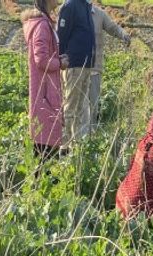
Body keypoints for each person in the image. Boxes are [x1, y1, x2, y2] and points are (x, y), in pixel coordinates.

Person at [22, 0, 64, 162]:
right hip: (45, 94)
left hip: (46, 92)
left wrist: (59, 59)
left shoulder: (43, 23)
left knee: (44, 142)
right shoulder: (41, 26)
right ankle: (42, 184)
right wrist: (61, 63)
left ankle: (42, 183)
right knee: (44, 144)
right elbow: (41, 61)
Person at [81, 2, 130, 136]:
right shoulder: (75, 13)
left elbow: (112, 27)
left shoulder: (99, 14)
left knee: (93, 105)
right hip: (77, 69)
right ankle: (79, 138)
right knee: (79, 105)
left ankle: (91, 136)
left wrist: (124, 35)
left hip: (94, 68)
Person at [57, 0, 96, 150]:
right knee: (71, 105)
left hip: (86, 65)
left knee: (80, 107)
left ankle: (76, 143)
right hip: (74, 65)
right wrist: (62, 58)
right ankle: (65, 145)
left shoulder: (86, 6)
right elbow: (62, 35)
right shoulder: (70, 6)